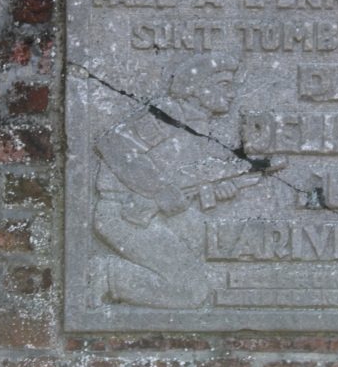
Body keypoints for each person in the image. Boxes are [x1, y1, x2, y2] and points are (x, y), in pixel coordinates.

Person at [88, 54, 261, 309]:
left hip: (162, 214)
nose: (233, 94)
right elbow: (113, 144)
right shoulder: (168, 113)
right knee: (192, 291)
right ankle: (107, 275)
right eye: (224, 85)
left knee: (219, 247)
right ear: (198, 87)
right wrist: (160, 191)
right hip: (125, 213)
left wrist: (216, 189)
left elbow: (185, 177)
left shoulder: (201, 126)